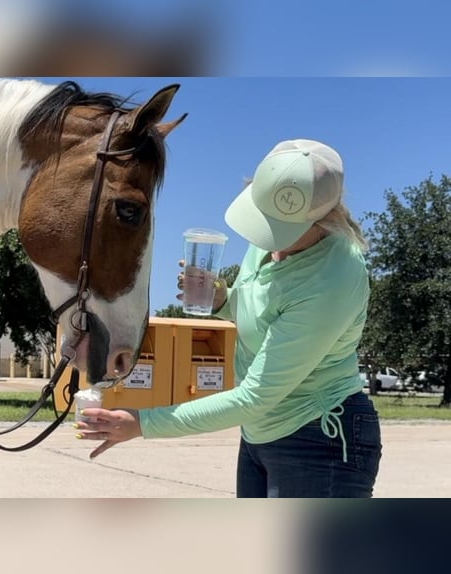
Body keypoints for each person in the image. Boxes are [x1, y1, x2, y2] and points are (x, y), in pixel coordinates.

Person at [74, 138, 382, 498]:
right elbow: (262, 311)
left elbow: (255, 396)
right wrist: (222, 300)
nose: (270, 239)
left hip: (319, 440)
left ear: (321, 218)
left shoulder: (332, 278)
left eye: (281, 228)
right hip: (259, 434)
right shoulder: (271, 240)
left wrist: (142, 422)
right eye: (267, 222)